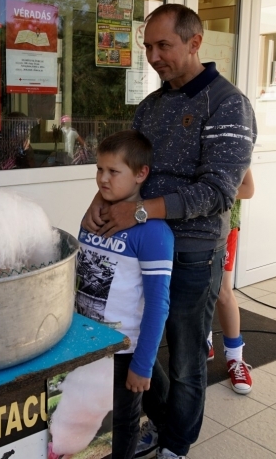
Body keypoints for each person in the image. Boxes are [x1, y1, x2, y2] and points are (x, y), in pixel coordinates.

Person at [83, 4, 256, 459]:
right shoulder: (151, 106)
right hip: (139, 244)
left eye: (164, 45)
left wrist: (140, 213)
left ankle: (176, 446)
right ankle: (162, 420)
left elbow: (219, 192)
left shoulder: (228, 104)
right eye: (148, 46)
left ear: (195, 42)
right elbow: (128, 166)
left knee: (184, 358)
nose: (154, 56)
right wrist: (101, 199)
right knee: (134, 339)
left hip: (193, 253)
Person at [75, 130, 173, 459]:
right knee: (95, 413)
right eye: (99, 169)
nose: (103, 178)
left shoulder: (153, 233)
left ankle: (167, 435)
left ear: (141, 174)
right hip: (87, 341)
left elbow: (158, 305)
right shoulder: (93, 217)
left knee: (123, 420)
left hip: (123, 348)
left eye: (113, 171)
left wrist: (142, 364)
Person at [208, 168, 255, 394]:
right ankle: (204, 339)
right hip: (189, 227)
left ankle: (235, 359)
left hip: (225, 226)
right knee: (194, 290)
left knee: (223, 292)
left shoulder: (233, 150)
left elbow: (248, 189)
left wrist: (206, 195)